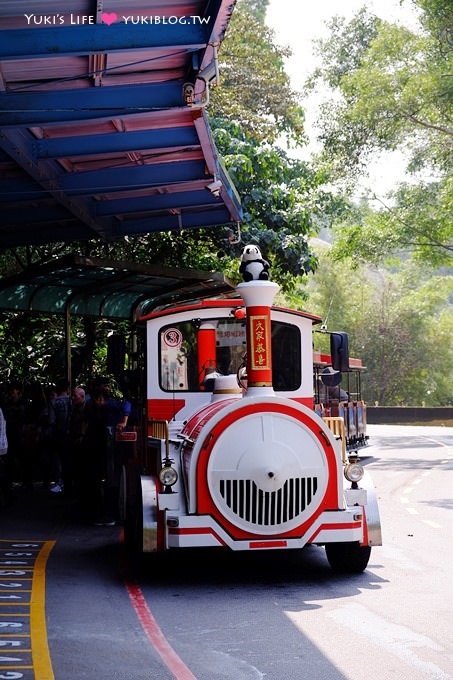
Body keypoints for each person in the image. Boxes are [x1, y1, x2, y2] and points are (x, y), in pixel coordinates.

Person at [47, 379, 71, 493]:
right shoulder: (72, 400)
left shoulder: (54, 402)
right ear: (67, 389)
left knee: (58, 460)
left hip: (58, 434)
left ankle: (60, 483)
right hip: (71, 434)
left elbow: (51, 421)